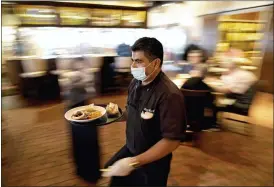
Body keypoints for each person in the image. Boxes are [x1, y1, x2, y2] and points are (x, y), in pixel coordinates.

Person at [103, 37, 186, 186]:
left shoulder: (169, 95)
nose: (133, 66)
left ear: (156, 63)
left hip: (153, 160)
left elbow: (172, 141)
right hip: (131, 148)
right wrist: (112, 116)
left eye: (139, 61)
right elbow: (131, 111)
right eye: (133, 60)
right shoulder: (136, 82)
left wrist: (134, 163)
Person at [181, 64, 218, 130]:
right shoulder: (204, 85)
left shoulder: (187, 81)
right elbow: (211, 99)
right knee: (215, 105)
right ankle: (211, 125)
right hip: (200, 114)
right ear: (205, 74)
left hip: (185, 112)